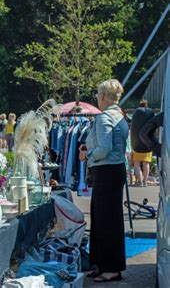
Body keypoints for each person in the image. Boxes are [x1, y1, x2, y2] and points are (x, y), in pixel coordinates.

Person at [79, 79, 128, 283]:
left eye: (98, 95)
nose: (97, 99)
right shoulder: (121, 116)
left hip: (106, 171)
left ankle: (111, 267)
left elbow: (104, 149)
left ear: (103, 96)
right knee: (102, 219)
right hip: (113, 171)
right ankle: (101, 263)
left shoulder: (105, 117)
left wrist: (87, 155)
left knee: (107, 221)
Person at [131, 99, 152, 187]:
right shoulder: (150, 112)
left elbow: (132, 129)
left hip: (137, 143)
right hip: (148, 142)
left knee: (137, 163)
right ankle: (146, 181)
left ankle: (140, 181)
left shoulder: (136, 113)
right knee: (146, 163)